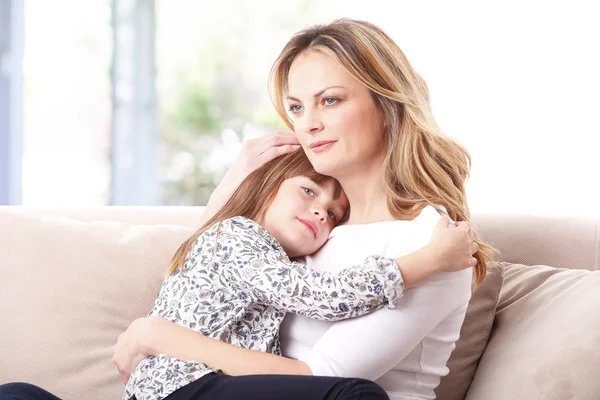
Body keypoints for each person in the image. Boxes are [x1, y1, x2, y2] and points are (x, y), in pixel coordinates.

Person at [0, 17, 493, 400]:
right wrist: (236, 186)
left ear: (387, 105)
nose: (309, 124)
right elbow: (207, 278)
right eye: (297, 107)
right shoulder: (309, 232)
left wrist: (157, 335)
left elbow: (323, 378)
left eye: (330, 100)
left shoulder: (432, 244)